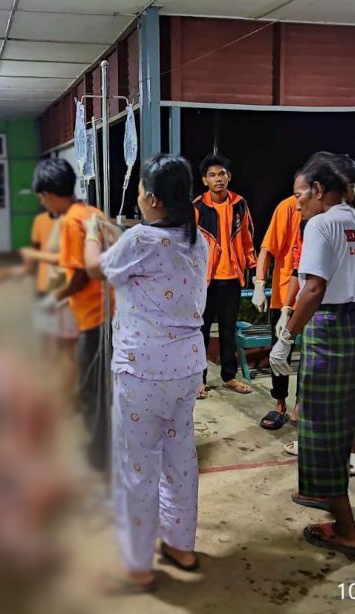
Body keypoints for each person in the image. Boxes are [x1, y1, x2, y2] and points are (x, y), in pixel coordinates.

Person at [82, 153, 208, 593]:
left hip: (144, 371)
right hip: (187, 369)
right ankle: (180, 545)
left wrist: (92, 234)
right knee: (179, 458)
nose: (137, 198)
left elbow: (95, 268)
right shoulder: (197, 240)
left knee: (137, 466)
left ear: (152, 199)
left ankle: (136, 566)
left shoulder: (139, 240)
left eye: (139, 191)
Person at [270, 154, 355, 561]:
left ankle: (346, 531)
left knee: (320, 430)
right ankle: (321, 494)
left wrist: (287, 336)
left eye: (300, 195)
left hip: (330, 329)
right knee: (341, 425)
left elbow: (314, 288)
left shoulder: (322, 225)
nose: (297, 204)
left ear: (319, 190)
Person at [26, 158, 111, 473]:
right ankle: (105, 447)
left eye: (41, 197)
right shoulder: (93, 212)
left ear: (48, 194)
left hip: (92, 316)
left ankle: (99, 455)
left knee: (91, 389)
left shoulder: (70, 221)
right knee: (103, 386)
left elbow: (79, 276)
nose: (42, 203)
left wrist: (55, 298)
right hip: (108, 308)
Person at [194, 153, 257, 399]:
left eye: (222, 174)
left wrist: (253, 270)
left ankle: (229, 376)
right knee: (201, 331)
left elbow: (247, 238)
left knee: (228, 331)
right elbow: (189, 244)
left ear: (229, 176)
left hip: (232, 278)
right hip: (205, 281)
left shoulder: (240, 204)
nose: (218, 178)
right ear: (204, 180)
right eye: (212, 175)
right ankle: (198, 380)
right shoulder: (197, 207)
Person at [254, 193, 301, 429]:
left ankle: (301, 406)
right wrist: (259, 284)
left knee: (312, 356)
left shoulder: (327, 211)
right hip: (284, 293)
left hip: (315, 297)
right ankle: (280, 403)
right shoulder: (288, 207)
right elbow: (267, 248)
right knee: (279, 353)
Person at [26, 206, 79, 399]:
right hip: (48, 287)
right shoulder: (44, 220)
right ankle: (50, 385)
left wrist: (33, 258)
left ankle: (63, 393)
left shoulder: (69, 223)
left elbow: (57, 258)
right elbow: (36, 248)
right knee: (50, 342)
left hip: (61, 292)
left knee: (64, 348)